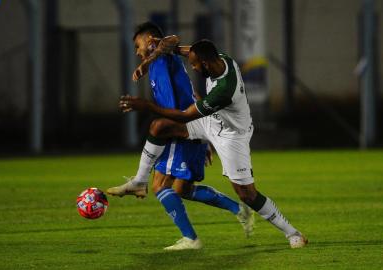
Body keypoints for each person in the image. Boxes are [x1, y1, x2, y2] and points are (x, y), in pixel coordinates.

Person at [117, 38, 308, 249]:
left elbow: (184, 116)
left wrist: (146, 105)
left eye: (194, 65)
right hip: (211, 122)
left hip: (231, 136)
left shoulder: (224, 89)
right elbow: (177, 45)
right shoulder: (219, 59)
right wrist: (150, 57)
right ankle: (139, 181)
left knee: (247, 194)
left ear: (205, 63)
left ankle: (293, 233)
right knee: (160, 127)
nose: (193, 67)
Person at [106, 22, 254, 250]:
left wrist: (147, 61)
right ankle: (238, 209)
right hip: (190, 130)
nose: (137, 52)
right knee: (181, 190)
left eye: (138, 46)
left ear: (149, 41)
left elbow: (171, 40)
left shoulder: (163, 55)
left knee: (160, 187)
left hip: (180, 130)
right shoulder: (160, 62)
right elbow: (192, 93)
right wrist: (207, 137)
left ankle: (190, 238)